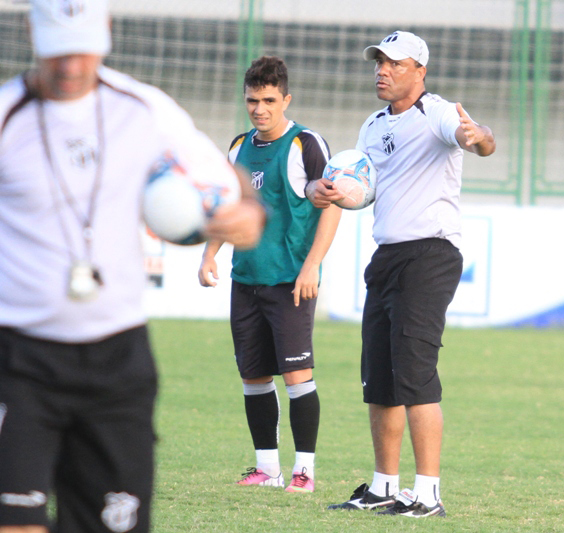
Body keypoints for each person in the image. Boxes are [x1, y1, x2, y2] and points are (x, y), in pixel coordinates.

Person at [0, 1, 267, 532]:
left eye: (83, 49)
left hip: (116, 362)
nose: (71, 67)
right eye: (58, 50)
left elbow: (224, 181)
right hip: (18, 359)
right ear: (31, 32)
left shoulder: (144, 109)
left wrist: (247, 215)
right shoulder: (8, 115)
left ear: (108, 33)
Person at [307, 31, 495, 517]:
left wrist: (477, 137)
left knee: (415, 376)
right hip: (387, 256)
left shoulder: (437, 111)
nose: (382, 70)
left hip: (430, 255)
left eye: (394, 63)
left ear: (420, 71)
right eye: (378, 62)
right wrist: (329, 190)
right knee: (381, 380)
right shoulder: (371, 125)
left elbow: (476, 139)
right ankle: (383, 486)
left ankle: (428, 494)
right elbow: (361, 186)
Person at [198, 56, 341, 493]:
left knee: (298, 377)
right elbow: (229, 206)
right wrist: (210, 254)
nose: (259, 109)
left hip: (291, 281)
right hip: (247, 280)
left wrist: (312, 265)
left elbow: (332, 204)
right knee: (254, 377)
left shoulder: (306, 144)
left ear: (285, 99)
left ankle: (304, 472)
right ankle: (267, 469)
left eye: (268, 100)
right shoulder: (239, 147)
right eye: (252, 101)